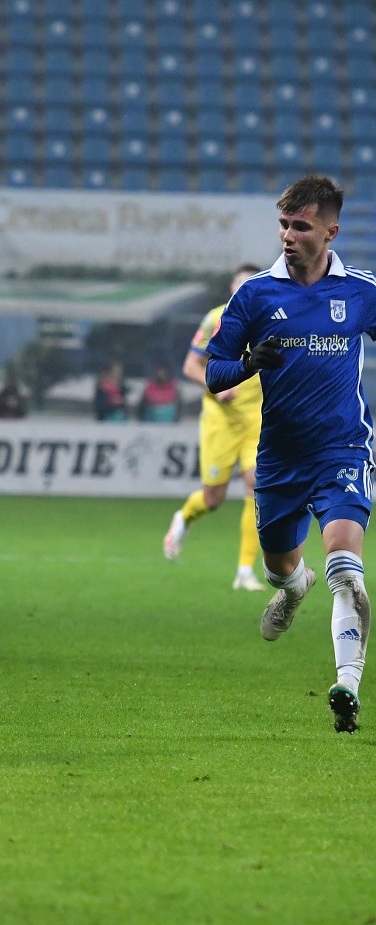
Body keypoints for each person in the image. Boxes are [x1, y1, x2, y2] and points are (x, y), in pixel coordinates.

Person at [205, 174, 375, 734]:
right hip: (280, 458)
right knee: (281, 567)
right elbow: (214, 371)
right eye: (283, 224)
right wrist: (249, 363)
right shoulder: (256, 295)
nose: (287, 235)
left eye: (300, 226)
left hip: (343, 449)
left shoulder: (361, 291)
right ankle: (293, 586)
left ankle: (347, 685)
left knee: (346, 567)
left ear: (330, 232)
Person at [163, 264, 265, 592]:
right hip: (220, 420)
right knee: (213, 498)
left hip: (257, 419)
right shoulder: (215, 319)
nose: (245, 292)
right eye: (241, 286)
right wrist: (216, 388)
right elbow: (191, 366)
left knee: (256, 486)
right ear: (232, 289)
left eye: (252, 286)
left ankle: (245, 571)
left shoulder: (272, 319)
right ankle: (184, 518)